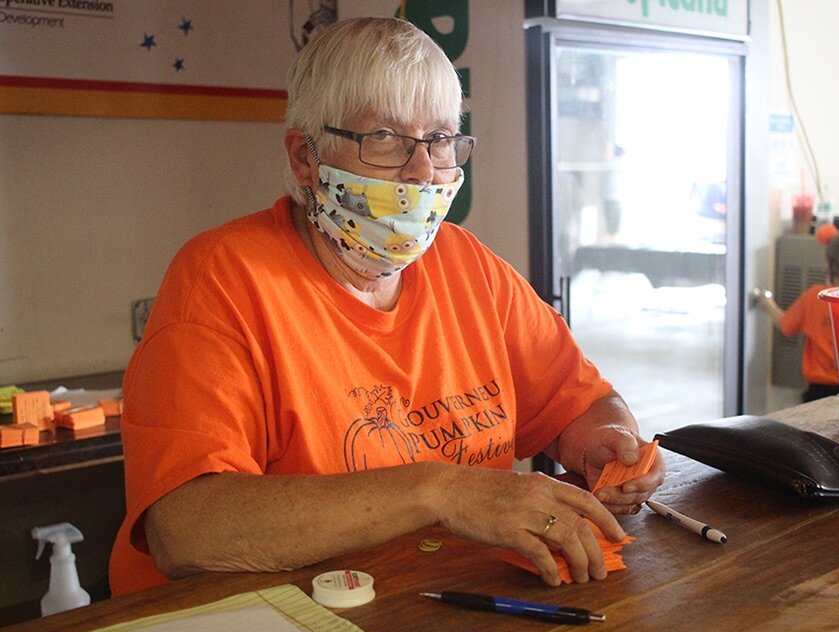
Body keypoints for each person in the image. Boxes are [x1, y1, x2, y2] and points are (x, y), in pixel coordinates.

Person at [108, 17, 665, 596]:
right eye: (384, 139)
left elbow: (582, 401)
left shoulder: (466, 264)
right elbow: (185, 528)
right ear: (306, 158)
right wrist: (441, 492)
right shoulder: (222, 278)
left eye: (441, 140)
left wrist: (608, 442)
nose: (423, 170)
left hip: (438, 606)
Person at [756, 225, 839, 402]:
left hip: (819, 392)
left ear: (828, 264)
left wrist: (767, 304)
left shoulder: (817, 296)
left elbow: (787, 326)